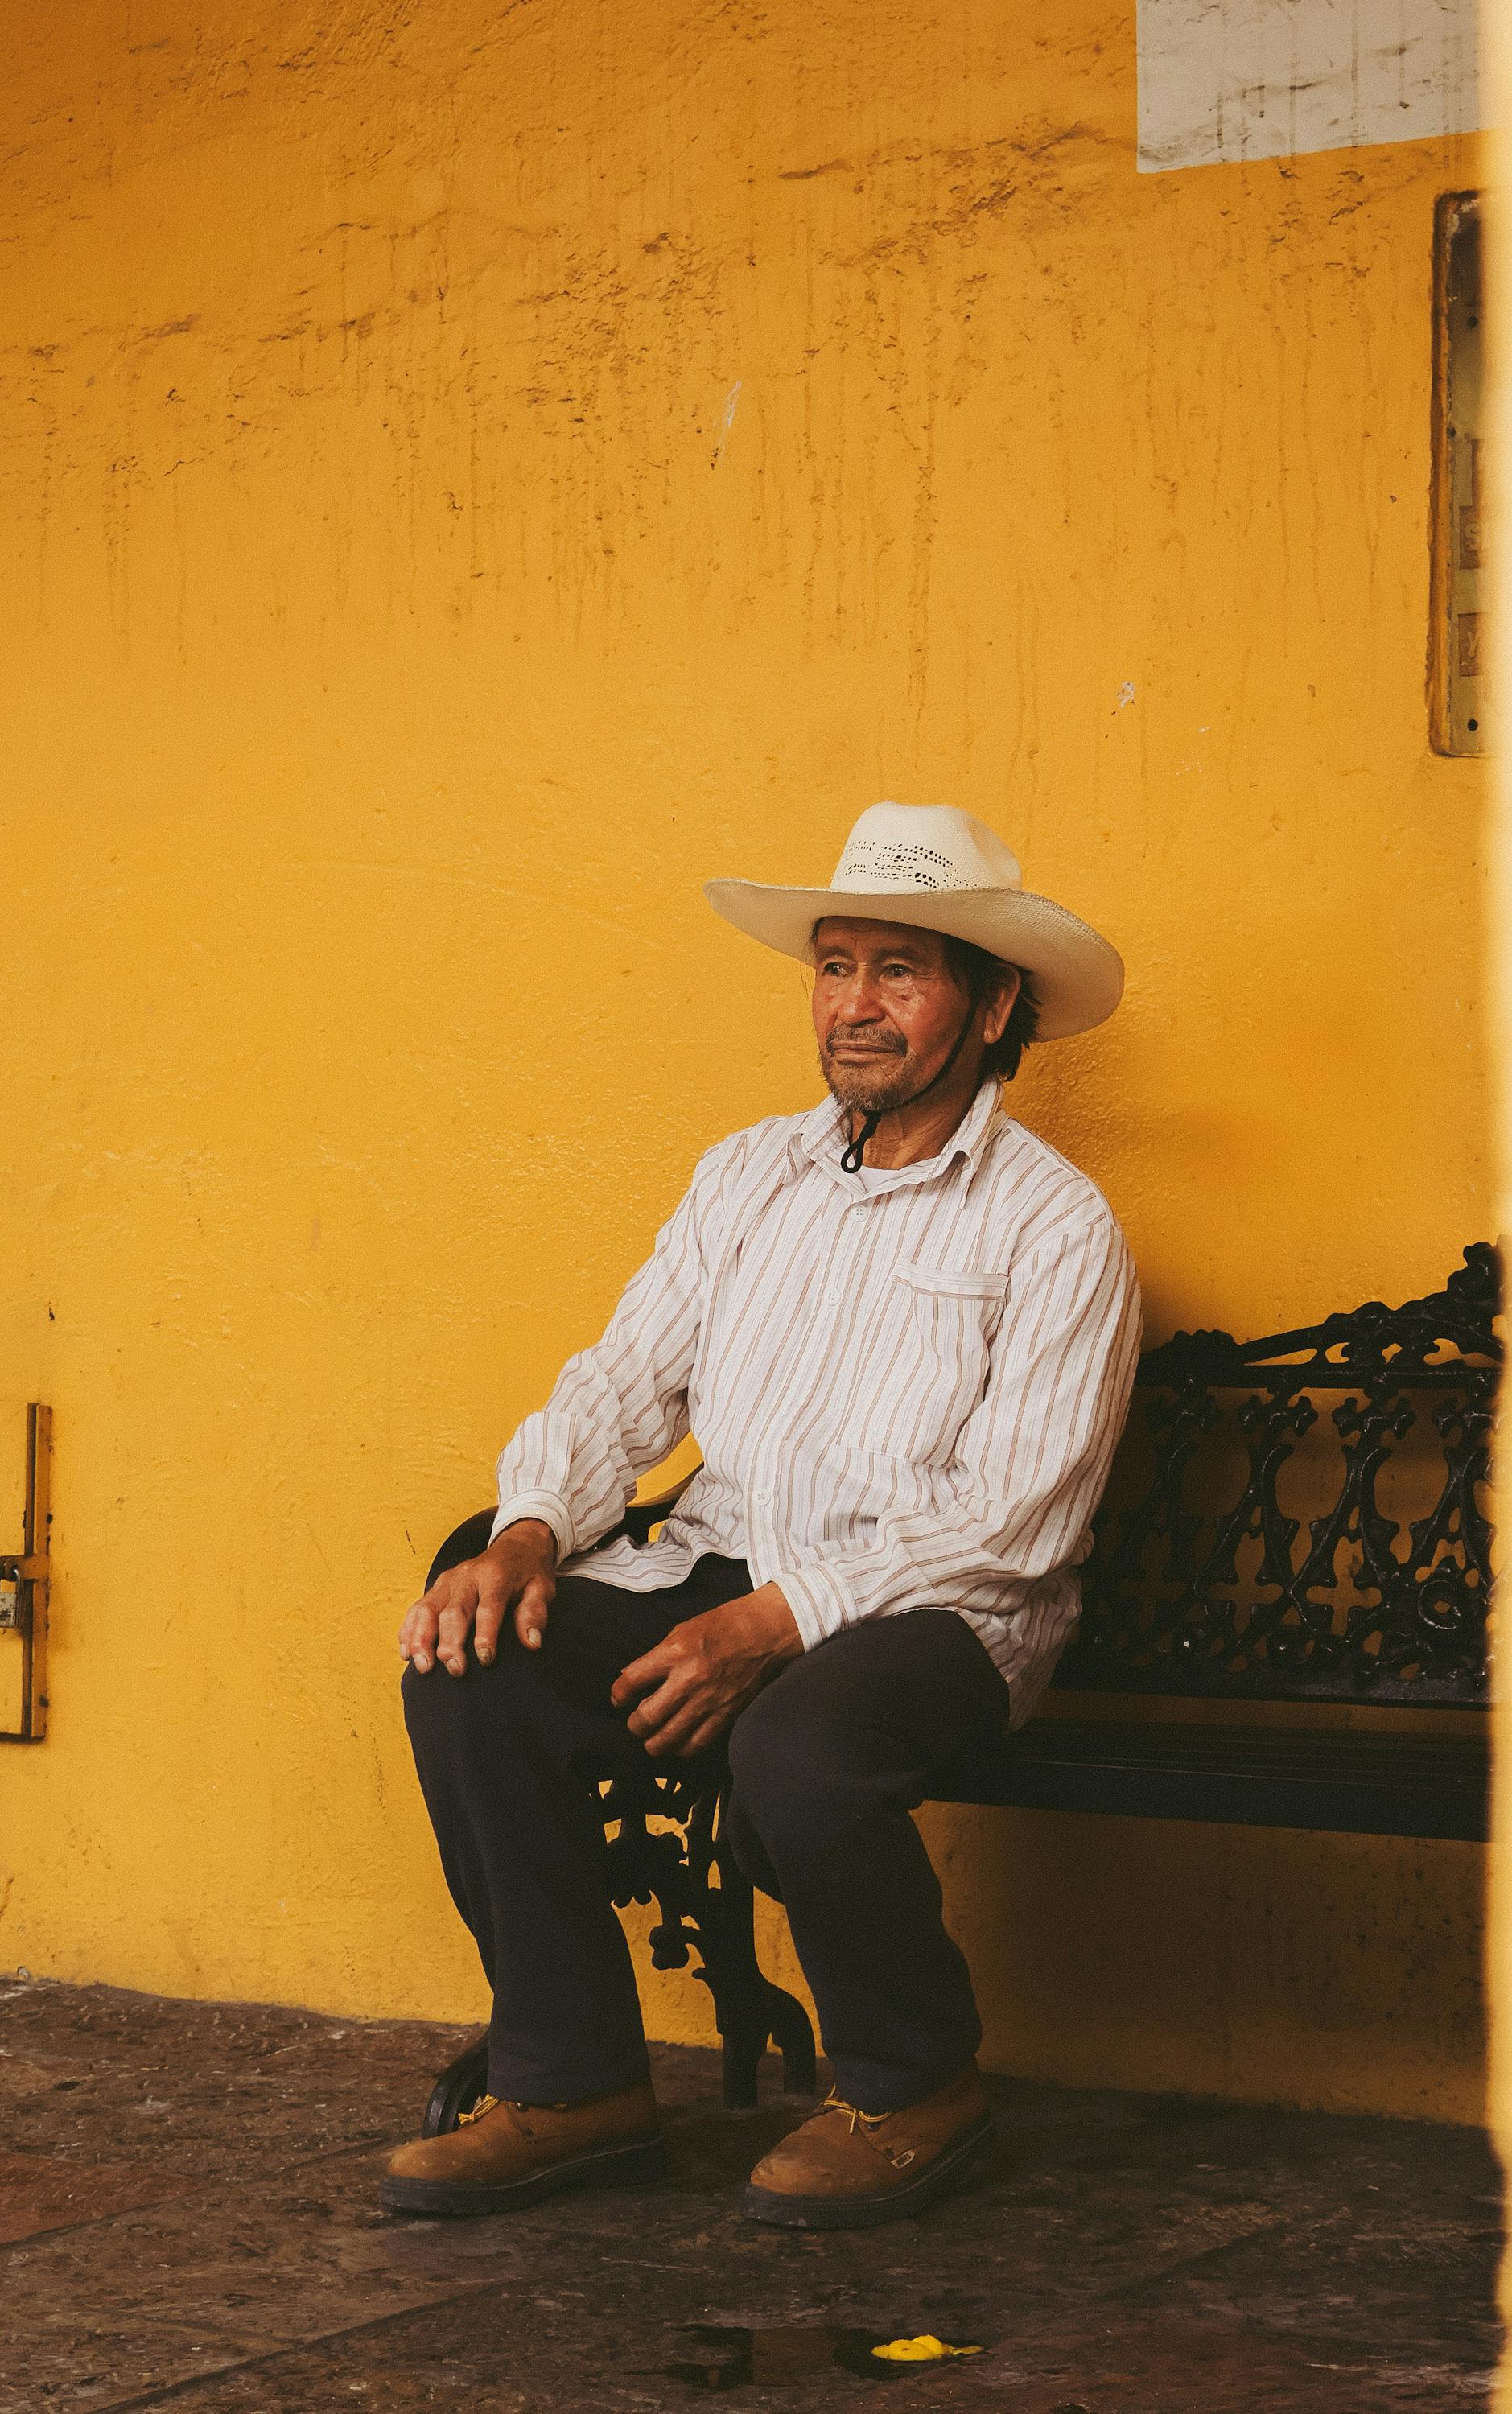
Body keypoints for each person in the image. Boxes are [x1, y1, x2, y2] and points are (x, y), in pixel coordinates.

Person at [385, 801, 1141, 2229]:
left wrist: (778, 1620)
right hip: (723, 1564)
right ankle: (571, 2081)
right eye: (834, 965)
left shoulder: (1053, 1226)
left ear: (988, 1006)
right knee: (468, 1652)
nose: (853, 1006)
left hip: (941, 1615)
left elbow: (1018, 1520)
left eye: (898, 971)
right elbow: (625, 1378)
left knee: (802, 1736)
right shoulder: (747, 1177)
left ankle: (916, 2084)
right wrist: (530, 1528)